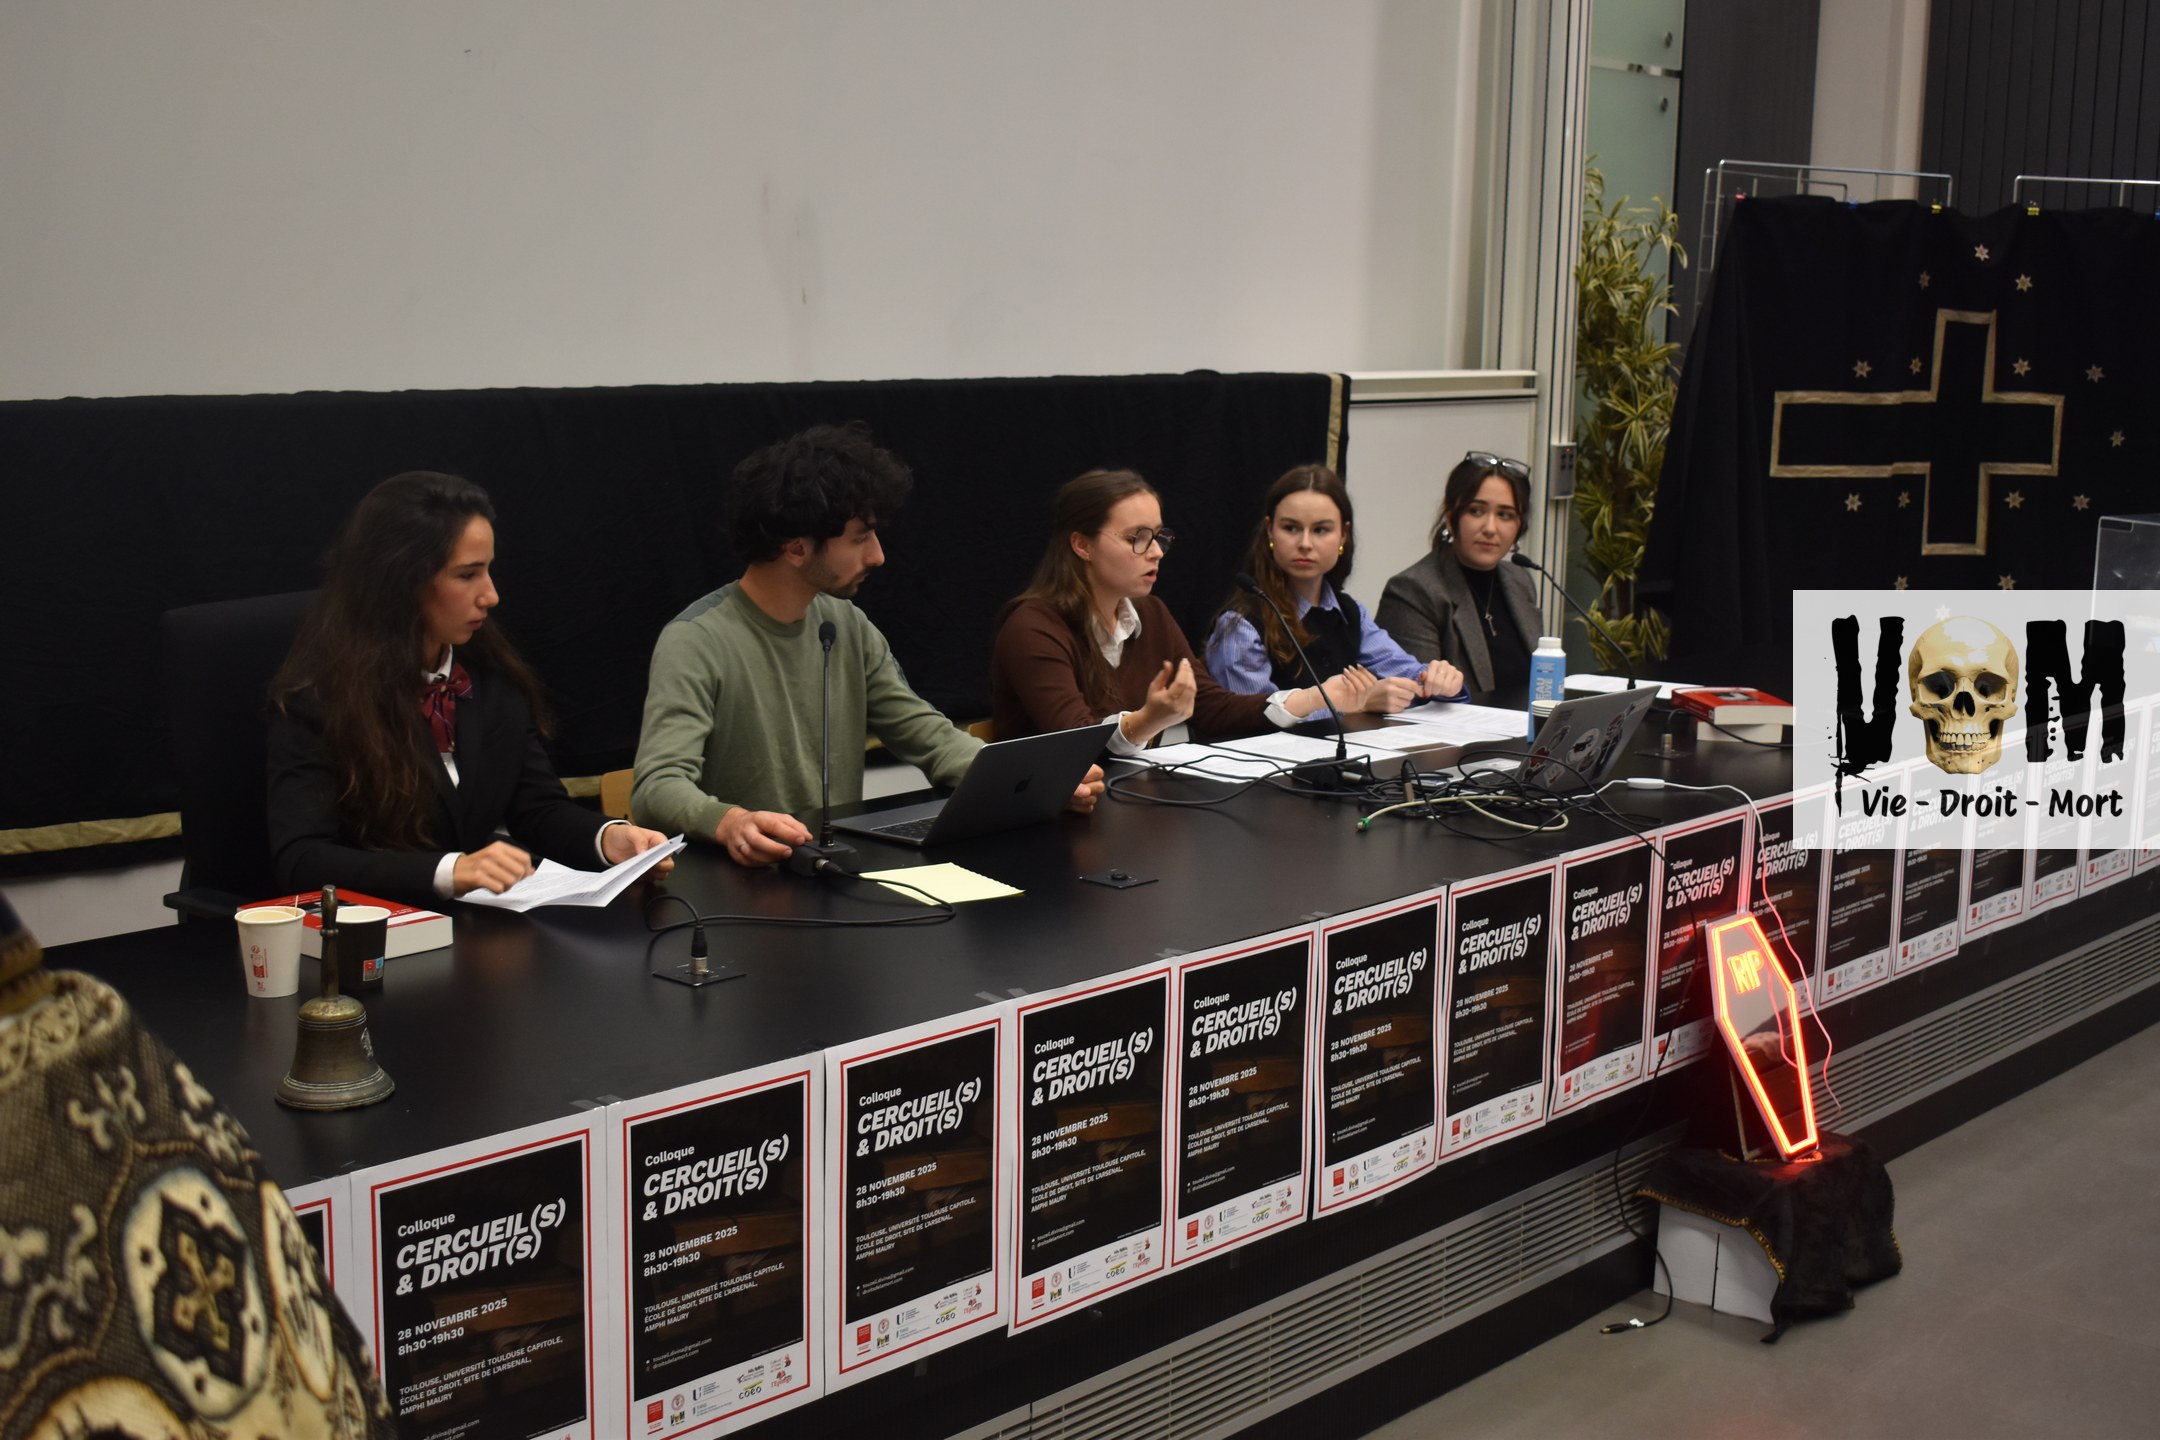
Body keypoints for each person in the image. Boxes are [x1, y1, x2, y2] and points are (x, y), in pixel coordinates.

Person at [634, 424, 1104, 867]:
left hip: (830, 867)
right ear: (796, 548)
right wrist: (730, 822)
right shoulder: (696, 640)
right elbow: (657, 785)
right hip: (740, 887)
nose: (878, 555)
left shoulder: (846, 624)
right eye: (860, 538)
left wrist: (1032, 782)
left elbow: (926, 735)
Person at [268, 471, 674, 903]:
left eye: (488, 570)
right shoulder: (318, 699)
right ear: (400, 581)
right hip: (380, 930)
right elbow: (302, 860)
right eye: (467, 575)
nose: (491, 595)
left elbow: (537, 809)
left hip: (481, 926)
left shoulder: (490, 677)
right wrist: (451, 871)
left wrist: (609, 839)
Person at [990, 468, 1370, 750]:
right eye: (1137, 538)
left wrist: (1313, 697)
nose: (1156, 552)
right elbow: (1073, 739)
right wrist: (1148, 719)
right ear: (1082, 545)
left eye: (1158, 536)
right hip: (1046, 816)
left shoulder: (1150, 614)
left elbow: (1211, 707)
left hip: (1126, 804)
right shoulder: (1033, 627)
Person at [1203, 463, 1466, 711]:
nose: (1305, 543)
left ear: (1343, 536)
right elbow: (1254, 718)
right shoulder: (1241, 624)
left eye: (1321, 530)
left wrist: (1439, 681)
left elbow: (1408, 673)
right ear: (1270, 531)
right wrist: (1356, 705)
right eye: (1291, 528)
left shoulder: (1349, 613)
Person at [1374, 452, 1544, 695]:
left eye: (1505, 515)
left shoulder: (1520, 580)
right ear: (1451, 518)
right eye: (1476, 511)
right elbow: (1417, 698)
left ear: (1519, 527)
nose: (1490, 528)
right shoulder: (1413, 591)